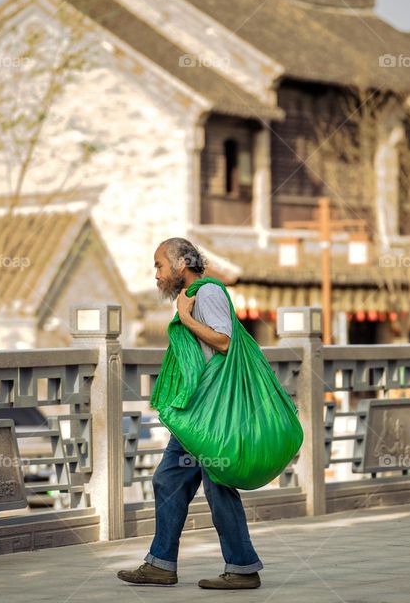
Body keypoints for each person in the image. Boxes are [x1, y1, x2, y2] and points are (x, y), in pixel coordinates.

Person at [116, 237, 263, 590]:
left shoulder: (206, 293)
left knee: (218, 486)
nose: (157, 274)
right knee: (171, 480)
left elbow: (224, 341)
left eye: (159, 265)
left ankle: (241, 567)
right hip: (197, 410)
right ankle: (162, 564)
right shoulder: (194, 294)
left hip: (210, 413)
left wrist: (184, 317)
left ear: (181, 263)